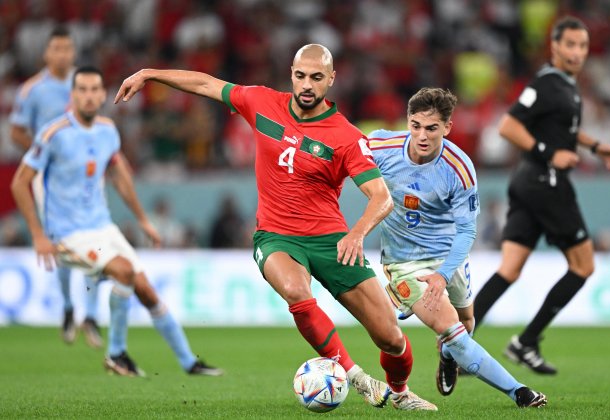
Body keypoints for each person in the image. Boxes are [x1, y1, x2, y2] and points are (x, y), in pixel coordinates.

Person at [115, 44, 436, 411]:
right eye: (301, 76)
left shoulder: (346, 137)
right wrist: (149, 74)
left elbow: (381, 196)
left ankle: (400, 392)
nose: (307, 85)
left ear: (331, 80)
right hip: (276, 236)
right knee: (296, 292)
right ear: (291, 74)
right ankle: (356, 377)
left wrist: (357, 232)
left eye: (316, 77)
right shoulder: (261, 102)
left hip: (333, 240)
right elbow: (205, 83)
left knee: (391, 338)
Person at [11, 65, 223, 377]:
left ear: (102, 95)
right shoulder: (53, 134)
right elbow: (20, 182)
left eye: (94, 89)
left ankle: (189, 362)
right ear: (72, 96)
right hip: (68, 234)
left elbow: (120, 176)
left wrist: (142, 219)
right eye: (81, 90)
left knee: (146, 290)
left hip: (103, 227)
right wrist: (38, 234)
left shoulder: (108, 130)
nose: (88, 96)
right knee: (123, 271)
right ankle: (116, 354)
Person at [369, 87, 547, 408]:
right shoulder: (381, 145)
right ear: (407, 121)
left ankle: (448, 357)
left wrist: (444, 273)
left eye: (432, 128)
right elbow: (339, 152)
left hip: (448, 254)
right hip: (404, 262)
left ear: (447, 128)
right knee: (453, 331)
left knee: (467, 324)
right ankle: (518, 391)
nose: (422, 135)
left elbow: (467, 230)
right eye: (415, 125)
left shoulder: (459, 168)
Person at [473, 16, 610, 374]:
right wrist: (548, 152)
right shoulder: (547, 84)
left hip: (527, 183)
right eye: (570, 44)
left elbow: (562, 131)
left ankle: (458, 342)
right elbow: (509, 125)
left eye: (582, 46)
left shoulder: (566, 86)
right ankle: (526, 342)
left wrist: (595, 145)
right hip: (547, 181)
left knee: (509, 269)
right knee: (583, 265)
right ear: (555, 47)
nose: (576, 52)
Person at [9, 26, 103, 348]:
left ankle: (90, 314)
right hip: (51, 177)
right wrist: (45, 154)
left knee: (97, 237)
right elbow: (17, 131)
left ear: (74, 52)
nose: (63, 54)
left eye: (67, 48)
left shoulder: (85, 82)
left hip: (87, 174)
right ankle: (67, 306)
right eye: (57, 49)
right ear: (46, 54)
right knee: (62, 245)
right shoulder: (32, 90)